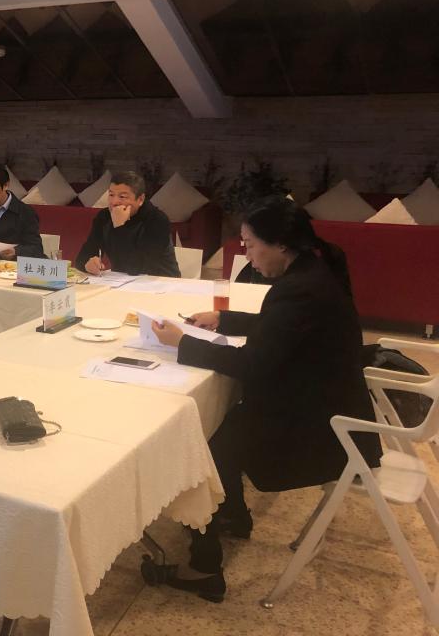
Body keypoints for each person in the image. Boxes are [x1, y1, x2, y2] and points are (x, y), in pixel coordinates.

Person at [144, 196, 382, 601]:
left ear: (281, 244)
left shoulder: (299, 289)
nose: (248, 255)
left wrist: (182, 343)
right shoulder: (311, 273)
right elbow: (282, 327)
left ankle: (204, 568)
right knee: (224, 430)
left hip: (319, 425)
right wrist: (224, 319)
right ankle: (233, 515)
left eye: (251, 244)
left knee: (204, 446)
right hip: (323, 402)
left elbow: (253, 364)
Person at [74, 171, 180, 277]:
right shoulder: (104, 217)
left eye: (122, 197)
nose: (114, 202)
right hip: (122, 281)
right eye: (111, 195)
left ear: (140, 199)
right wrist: (87, 264)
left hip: (163, 281)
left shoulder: (157, 220)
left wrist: (119, 226)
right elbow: (81, 258)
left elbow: (135, 267)